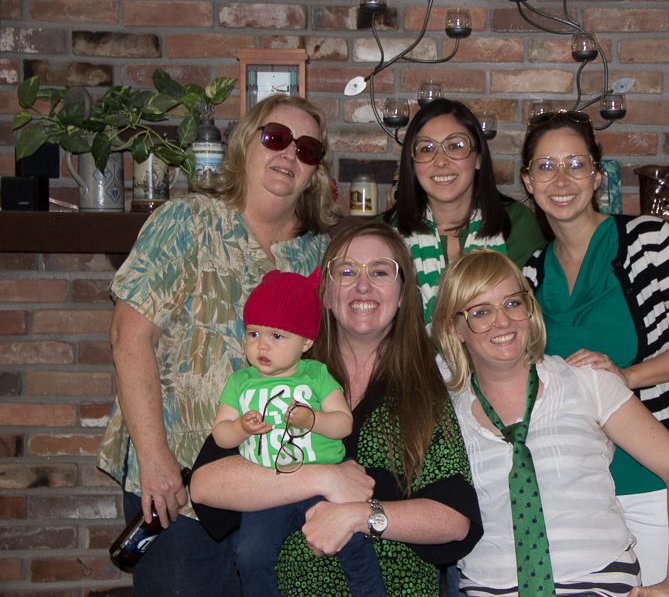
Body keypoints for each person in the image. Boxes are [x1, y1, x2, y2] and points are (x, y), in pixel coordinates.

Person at [97, 94, 338, 596]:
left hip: (278, 492)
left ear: (315, 171)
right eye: (276, 137)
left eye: (307, 149)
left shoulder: (319, 252)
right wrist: (155, 459)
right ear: (245, 143)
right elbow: (129, 336)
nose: (289, 154)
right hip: (181, 487)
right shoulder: (186, 222)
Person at [189, 221, 483, 597]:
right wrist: (324, 478)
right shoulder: (280, 376)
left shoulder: (421, 391)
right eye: (346, 271)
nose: (362, 285)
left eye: (380, 272)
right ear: (325, 295)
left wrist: (361, 515)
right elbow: (205, 484)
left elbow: (454, 519)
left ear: (403, 294)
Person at [519, 111, 669, 589]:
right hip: (574, 490)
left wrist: (626, 377)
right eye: (545, 167)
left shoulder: (650, 241)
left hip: (657, 479)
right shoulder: (531, 273)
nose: (561, 179)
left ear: (597, 176)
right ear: (528, 182)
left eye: (576, 163)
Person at [432, 249, 669, 597]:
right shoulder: (443, 416)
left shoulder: (586, 381)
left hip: (599, 584)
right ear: (455, 329)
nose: (503, 321)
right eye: (481, 312)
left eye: (513, 303)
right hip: (492, 588)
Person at [211, 268, 385, 597]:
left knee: (354, 545)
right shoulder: (240, 382)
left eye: (277, 336)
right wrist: (239, 427)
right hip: (268, 491)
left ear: (306, 341)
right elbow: (221, 436)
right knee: (249, 555)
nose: (262, 345)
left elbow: (344, 423)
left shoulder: (315, 374)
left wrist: (312, 420)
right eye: (253, 334)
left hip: (323, 480)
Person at [383, 98, 546, 324]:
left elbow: (536, 319)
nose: (441, 161)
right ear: (412, 163)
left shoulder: (517, 224)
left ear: (478, 158)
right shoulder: (384, 235)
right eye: (426, 149)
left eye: (455, 146)